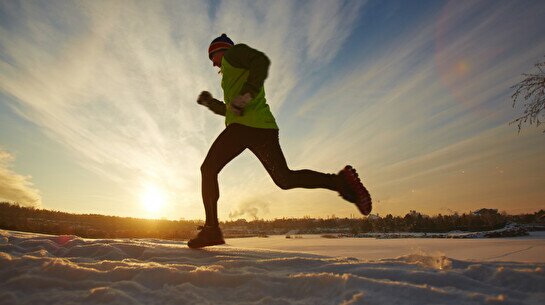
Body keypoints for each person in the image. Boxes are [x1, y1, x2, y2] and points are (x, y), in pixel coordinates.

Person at [188, 34, 372, 248]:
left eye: (213, 55)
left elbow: (261, 61)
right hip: (263, 129)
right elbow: (231, 110)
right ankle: (339, 182)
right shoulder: (231, 76)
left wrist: (247, 94)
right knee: (285, 179)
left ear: (223, 50)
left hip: (245, 128)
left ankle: (212, 230)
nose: (213, 63)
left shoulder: (234, 54)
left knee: (208, 169)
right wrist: (211, 103)